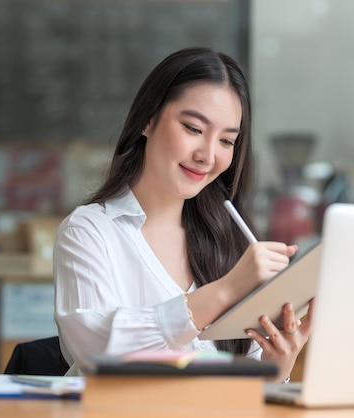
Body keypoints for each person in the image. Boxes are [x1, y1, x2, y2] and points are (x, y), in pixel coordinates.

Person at [53, 46, 313, 382]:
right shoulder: (89, 232)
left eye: (226, 141)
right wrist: (226, 289)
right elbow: (97, 355)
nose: (207, 155)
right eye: (193, 128)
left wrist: (277, 365)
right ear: (148, 119)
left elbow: (246, 390)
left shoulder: (230, 239)